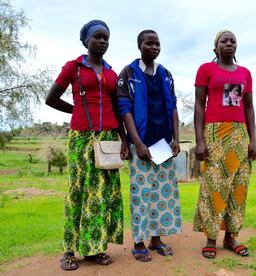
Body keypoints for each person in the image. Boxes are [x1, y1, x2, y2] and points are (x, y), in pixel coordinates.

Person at [45, 20, 129, 271]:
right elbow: (51, 98)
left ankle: (96, 247)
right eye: (98, 37)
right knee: (78, 191)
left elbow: (116, 108)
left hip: (109, 139)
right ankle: (69, 250)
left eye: (106, 38)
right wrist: (78, 111)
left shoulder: (112, 73)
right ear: (86, 41)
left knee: (103, 195)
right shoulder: (74, 67)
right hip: (82, 137)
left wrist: (124, 140)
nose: (103, 41)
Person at [117, 30, 182, 262]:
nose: (154, 47)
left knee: (161, 195)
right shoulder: (128, 74)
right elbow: (124, 110)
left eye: (157, 43)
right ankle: (138, 242)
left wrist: (176, 138)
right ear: (139, 45)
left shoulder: (166, 74)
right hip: (141, 145)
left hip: (163, 144)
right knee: (141, 195)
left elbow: (173, 107)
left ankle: (156, 239)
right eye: (149, 43)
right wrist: (137, 143)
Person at [193, 30, 256, 259]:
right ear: (215, 48)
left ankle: (231, 237)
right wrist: (200, 140)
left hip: (240, 135)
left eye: (233, 41)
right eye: (224, 41)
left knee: (239, 187)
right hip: (214, 133)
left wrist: (253, 141)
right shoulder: (206, 70)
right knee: (214, 185)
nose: (229, 43)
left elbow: (249, 108)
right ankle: (211, 238)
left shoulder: (245, 73)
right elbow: (199, 105)